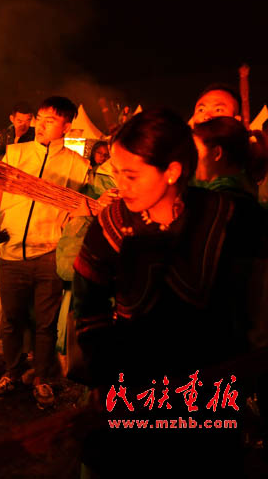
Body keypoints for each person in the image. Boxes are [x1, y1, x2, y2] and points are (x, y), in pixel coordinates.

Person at [72, 109, 267, 475]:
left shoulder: (231, 217)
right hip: (132, 387)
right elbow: (89, 307)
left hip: (210, 389)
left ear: (173, 171)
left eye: (131, 175)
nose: (120, 184)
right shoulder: (110, 225)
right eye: (116, 172)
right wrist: (105, 379)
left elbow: (254, 299)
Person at [0, 96, 90, 406]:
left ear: (66, 126)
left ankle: (42, 378)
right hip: (11, 251)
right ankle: (11, 372)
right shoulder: (15, 153)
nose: (41, 124)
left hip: (48, 253)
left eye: (51, 120)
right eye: (40, 118)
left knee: (46, 323)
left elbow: (80, 213)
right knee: (11, 320)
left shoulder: (78, 165)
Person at [192, 116, 268, 199]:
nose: (190, 156)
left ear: (217, 153)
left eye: (196, 150)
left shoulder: (224, 197)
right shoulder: (242, 184)